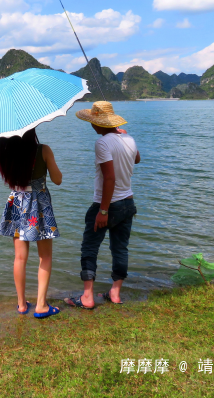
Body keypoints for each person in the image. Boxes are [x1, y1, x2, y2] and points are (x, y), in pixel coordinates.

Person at [65, 101, 141, 310]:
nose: (91, 126)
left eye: (93, 121)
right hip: (128, 203)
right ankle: (115, 293)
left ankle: (87, 297)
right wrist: (124, 136)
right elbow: (137, 159)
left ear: (98, 124)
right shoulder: (128, 138)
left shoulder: (102, 144)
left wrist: (103, 211)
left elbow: (109, 179)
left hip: (107, 204)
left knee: (90, 247)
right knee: (120, 249)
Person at [0, 128, 63, 319]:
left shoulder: (7, 152)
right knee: (45, 257)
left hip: (17, 203)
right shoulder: (43, 150)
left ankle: (22, 304)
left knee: (20, 258)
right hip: (40, 205)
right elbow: (58, 180)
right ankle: (41, 305)